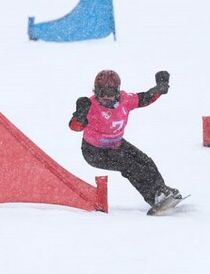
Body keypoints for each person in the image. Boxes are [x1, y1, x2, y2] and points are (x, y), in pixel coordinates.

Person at [69, 69, 181, 209]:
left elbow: (144, 98)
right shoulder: (90, 105)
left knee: (144, 161)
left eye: (110, 93)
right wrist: (80, 116)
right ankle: (153, 197)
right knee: (130, 166)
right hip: (95, 152)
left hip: (116, 144)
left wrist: (159, 89)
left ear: (117, 91)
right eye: (101, 93)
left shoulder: (125, 100)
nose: (106, 98)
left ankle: (161, 190)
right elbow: (75, 127)